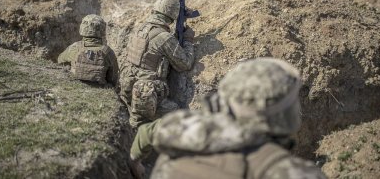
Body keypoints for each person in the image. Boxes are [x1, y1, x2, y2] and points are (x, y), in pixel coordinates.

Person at [129, 58, 326, 179]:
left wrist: (135, 162)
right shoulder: (292, 173)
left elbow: (147, 132)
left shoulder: (182, 127)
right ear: (285, 115)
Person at [120, 0, 195, 128]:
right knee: (180, 116)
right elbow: (185, 64)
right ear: (172, 16)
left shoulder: (140, 29)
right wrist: (188, 41)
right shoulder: (164, 37)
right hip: (147, 94)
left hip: (128, 88)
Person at [58, 14, 119, 87]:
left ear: (83, 28)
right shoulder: (107, 51)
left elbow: (60, 60)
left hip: (76, 86)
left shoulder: (75, 47)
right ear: (102, 30)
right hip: (100, 89)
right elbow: (113, 77)